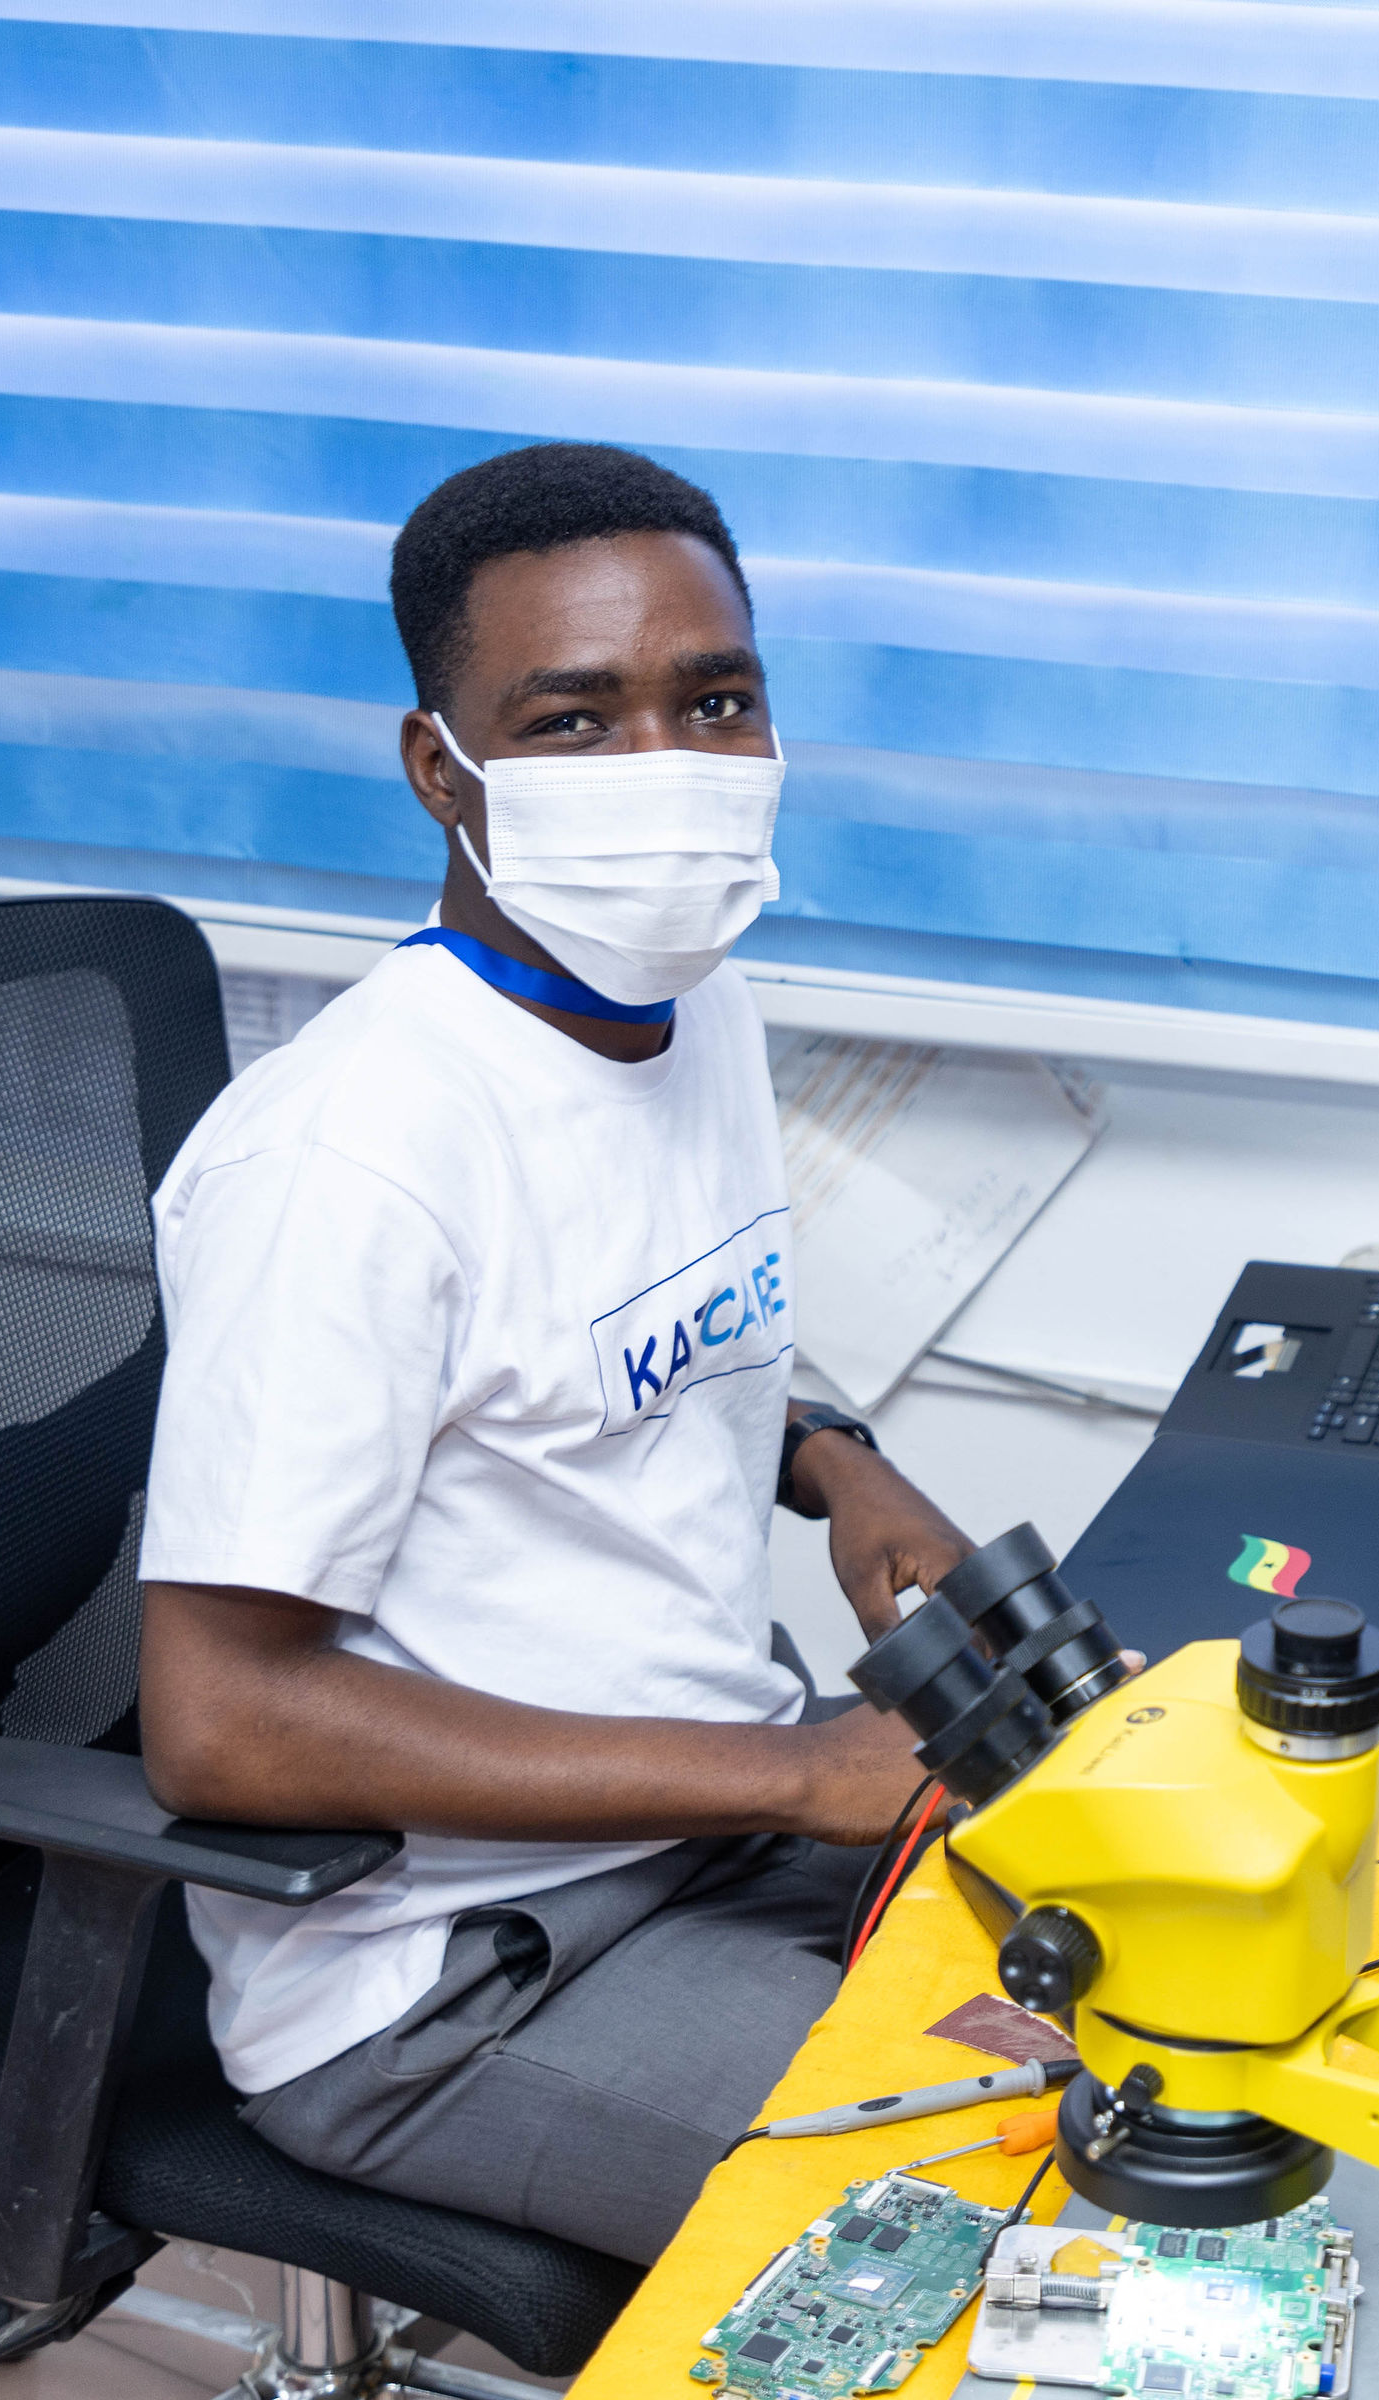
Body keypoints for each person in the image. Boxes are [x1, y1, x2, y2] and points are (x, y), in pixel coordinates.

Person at [136, 441, 972, 2265]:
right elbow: (222, 1725)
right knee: (1015, 2220)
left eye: (715, 701)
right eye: (575, 721)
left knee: (1192, 2025)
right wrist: (797, 1776)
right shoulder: (349, 1161)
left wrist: (836, 1458)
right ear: (444, 769)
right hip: (450, 1975)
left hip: (709, 1821)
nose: (667, 766)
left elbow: (608, 1327)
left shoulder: (690, 1006)